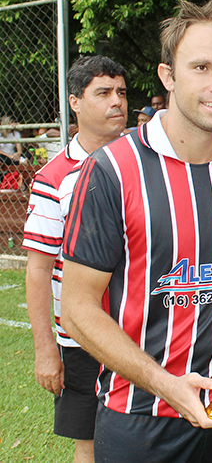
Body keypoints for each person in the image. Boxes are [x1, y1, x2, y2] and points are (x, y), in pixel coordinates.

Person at [60, 0, 212, 463]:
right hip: (141, 416)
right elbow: (78, 310)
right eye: (201, 67)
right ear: (168, 76)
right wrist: (165, 384)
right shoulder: (112, 171)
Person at [23, 54, 128, 463]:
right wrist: (45, 348)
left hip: (147, 330)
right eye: (103, 93)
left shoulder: (147, 161)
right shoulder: (53, 178)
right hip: (84, 338)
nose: (116, 102)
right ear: (75, 102)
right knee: (90, 441)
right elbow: (38, 268)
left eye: (120, 92)